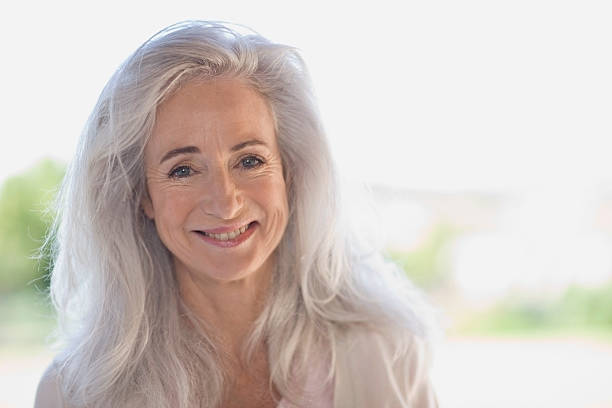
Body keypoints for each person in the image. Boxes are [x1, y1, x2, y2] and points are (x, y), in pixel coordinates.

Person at [34, 20, 440, 408]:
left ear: (290, 172)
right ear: (143, 196)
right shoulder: (74, 392)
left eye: (249, 161)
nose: (225, 203)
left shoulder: (389, 355)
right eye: (183, 170)